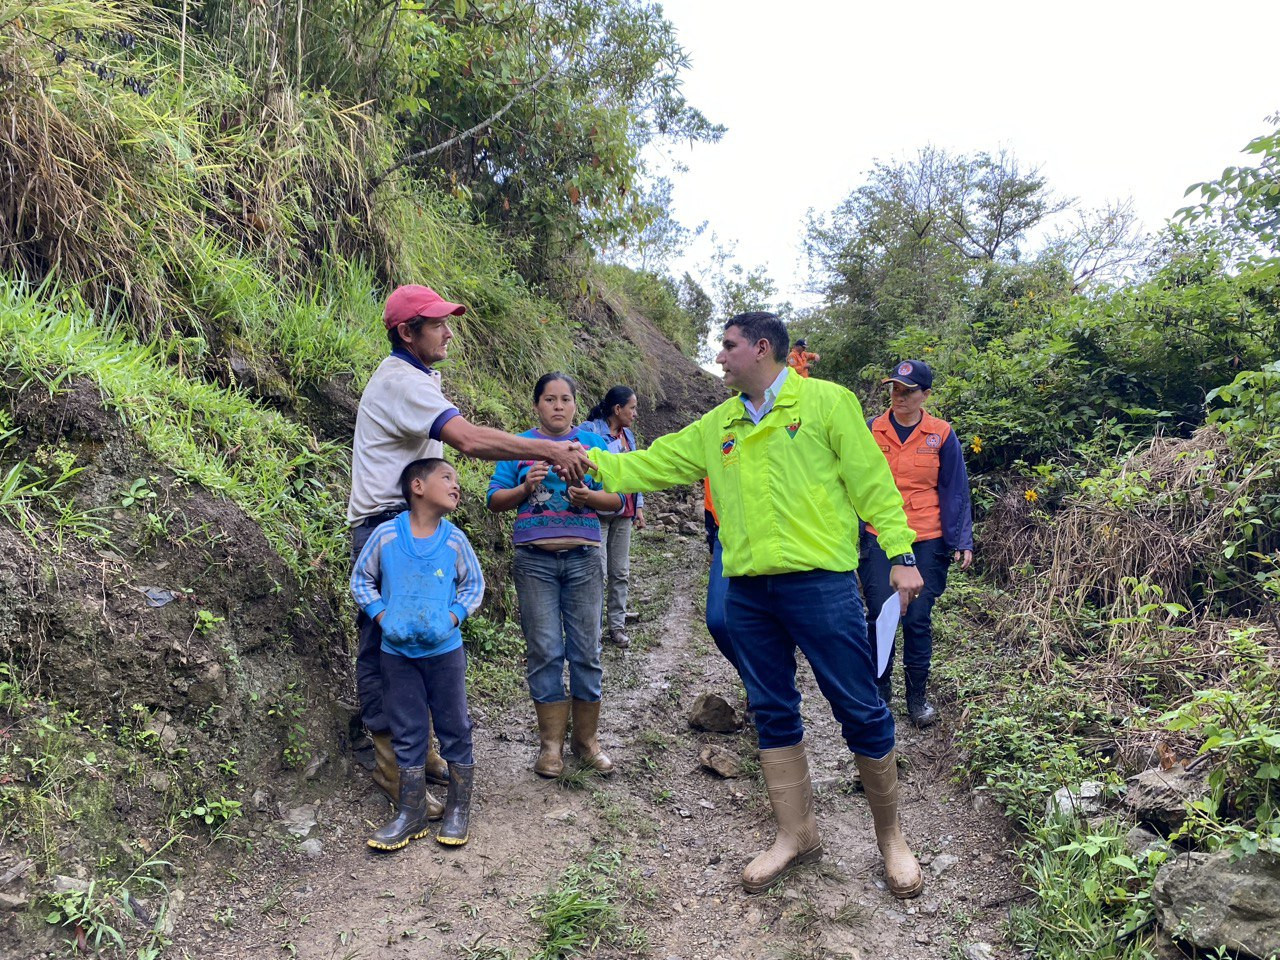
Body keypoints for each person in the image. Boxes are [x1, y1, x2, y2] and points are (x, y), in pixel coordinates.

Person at [584, 312, 927, 899]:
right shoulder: (720, 424)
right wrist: (587, 458)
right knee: (770, 709)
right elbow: (652, 464)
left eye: (728, 346)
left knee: (859, 706)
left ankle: (891, 839)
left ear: (761, 348)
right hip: (748, 591)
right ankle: (797, 835)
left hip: (822, 584)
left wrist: (901, 551)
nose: (720, 357)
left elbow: (872, 483)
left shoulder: (826, 403)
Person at [348, 284, 594, 802]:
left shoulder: (418, 378)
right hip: (389, 527)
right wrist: (549, 446)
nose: (449, 331)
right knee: (388, 646)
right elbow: (469, 440)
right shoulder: (402, 382)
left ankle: (418, 751)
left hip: (412, 523)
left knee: (423, 638)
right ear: (406, 332)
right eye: (437, 323)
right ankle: (394, 765)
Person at [487, 373, 625, 779]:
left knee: (587, 650)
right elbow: (494, 500)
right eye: (549, 399)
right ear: (537, 406)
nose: (558, 406)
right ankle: (550, 747)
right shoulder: (519, 446)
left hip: (584, 559)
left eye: (565, 399)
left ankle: (586, 743)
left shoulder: (595, 445)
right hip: (534, 562)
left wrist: (589, 497)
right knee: (545, 649)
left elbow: (618, 500)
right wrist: (524, 490)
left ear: (576, 406)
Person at [351, 458, 484, 850]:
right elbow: (362, 579)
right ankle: (411, 813)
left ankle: (458, 810)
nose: (456, 485)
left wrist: (453, 617)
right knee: (407, 728)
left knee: (454, 725)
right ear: (417, 486)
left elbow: (472, 586)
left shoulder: (455, 540)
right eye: (447, 477)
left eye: (458, 480)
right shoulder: (387, 537)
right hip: (397, 654)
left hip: (444, 653)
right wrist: (381, 615)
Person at [859, 359, 974, 728]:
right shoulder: (871, 429)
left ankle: (917, 696)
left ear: (925, 395)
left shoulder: (940, 433)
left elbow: (956, 489)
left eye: (908, 391)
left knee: (918, 619)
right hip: (879, 536)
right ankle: (879, 692)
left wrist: (962, 539)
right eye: (895, 389)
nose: (899, 397)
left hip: (927, 537)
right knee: (881, 614)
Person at [581, 385, 646, 648]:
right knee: (598, 572)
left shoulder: (628, 436)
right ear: (617, 409)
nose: (635, 413)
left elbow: (636, 471)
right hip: (596, 510)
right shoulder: (589, 431)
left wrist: (638, 506)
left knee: (620, 572)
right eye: (632, 408)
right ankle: (593, 630)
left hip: (624, 511)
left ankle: (616, 627)